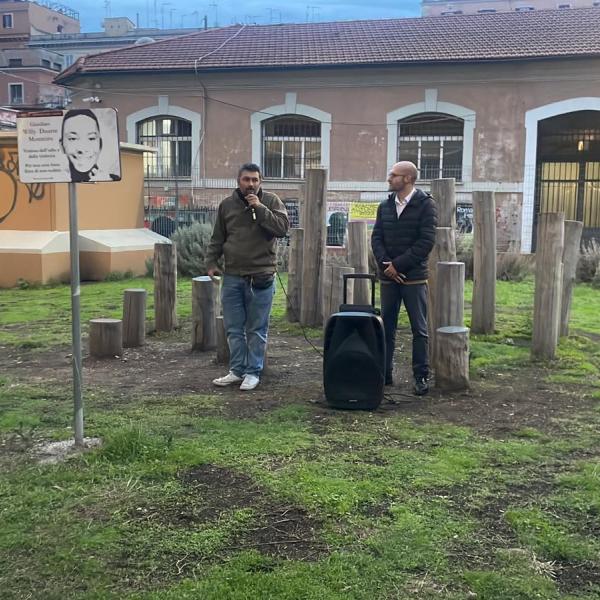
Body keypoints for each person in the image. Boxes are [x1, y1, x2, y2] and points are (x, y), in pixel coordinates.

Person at [207, 163, 289, 391]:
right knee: (233, 328)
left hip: (261, 276)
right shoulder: (226, 206)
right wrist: (211, 262)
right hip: (232, 276)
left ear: (260, 181)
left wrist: (260, 208)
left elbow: (282, 229)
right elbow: (218, 237)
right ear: (238, 181)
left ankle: (253, 372)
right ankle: (236, 370)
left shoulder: (271, 201)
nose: (250, 184)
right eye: (246, 180)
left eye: (255, 180)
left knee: (256, 329)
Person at [371, 161, 437, 396]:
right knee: (386, 327)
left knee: (419, 329)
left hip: (413, 278)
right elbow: (376, 237)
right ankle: (384, 373)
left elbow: (426, 242)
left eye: (393, 175)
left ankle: (420, 376)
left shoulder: (426, 205)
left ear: (408, 178)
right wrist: (387, 265)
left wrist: (398, 265)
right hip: (389, 278)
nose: (389, 178)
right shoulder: (385, 205)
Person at [60, 109, 120, 183]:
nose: (82, 148)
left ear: (100, 145)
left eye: (91, 138)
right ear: (61, 145)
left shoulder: (113, 180)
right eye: (73, 138)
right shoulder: (55, 181)